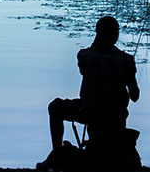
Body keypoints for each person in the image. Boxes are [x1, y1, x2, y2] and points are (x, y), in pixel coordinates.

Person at [44, 16, 140, 162]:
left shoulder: (84, 56)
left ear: (97, 33)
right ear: (115, 34)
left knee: (55, 107)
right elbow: (135, 96)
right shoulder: (126, 60)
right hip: (116, 118)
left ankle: (57, 153)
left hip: (90, 113)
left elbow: (86, 66)